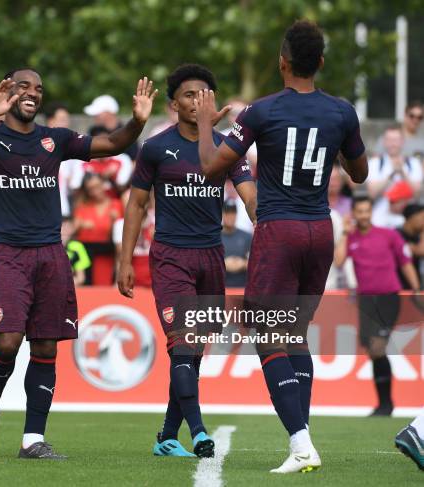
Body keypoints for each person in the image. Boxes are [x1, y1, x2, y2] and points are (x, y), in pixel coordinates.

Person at [0, 67, 157, 459]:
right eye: (24, 86)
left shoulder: (54, 139)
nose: (33, 93)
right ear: (7, 91)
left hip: (50, 252)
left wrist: (137, 121)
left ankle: (33, 440)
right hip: (8, 251)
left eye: (39, 88)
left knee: (45, 346)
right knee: (8, 341)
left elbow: (111, 143)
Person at [195, 20, 368, 473]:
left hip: (280, 230)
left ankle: (301, 443)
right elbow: (361, 174)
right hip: (320, 231)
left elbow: (213, 168)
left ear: (282, 62)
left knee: (268, 334)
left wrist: (203, 126)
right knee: (294, 335)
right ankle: (302, 441)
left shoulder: (261, 111)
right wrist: (339, 147)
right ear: (322, 63)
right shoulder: (342, 112)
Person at [118, 64, 256, 458]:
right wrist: (125, 260)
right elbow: (137, 205)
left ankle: (166, 436)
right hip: (170, 256)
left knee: (192, 352)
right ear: (173, 103)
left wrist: (263, 221)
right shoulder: (157, 148)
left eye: (204, 94)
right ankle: (198, 432)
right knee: (184, 341)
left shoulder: (229, 147)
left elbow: (248, 194)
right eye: (189, 95)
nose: (197, 101)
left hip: (211, 257)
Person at [334, 196, 419, 416]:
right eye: (359, 211)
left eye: (367, 211)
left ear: (372, 212)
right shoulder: (351, 238)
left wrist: (417, 288)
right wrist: (344, 232)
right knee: (372, 351)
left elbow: (405, 261)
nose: (364, 215)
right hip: (366, 301)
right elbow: (339, 261)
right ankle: (383, 403)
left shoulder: (388, 235)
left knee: (378, 347)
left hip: (388, 298)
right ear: (354, 214)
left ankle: (386, 405)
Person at [73, 173, 123, 285]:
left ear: (103, 185)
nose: (96, 191)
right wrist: (80, 225)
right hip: (86, 251)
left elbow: (119, 232)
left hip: (109, 249)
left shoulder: (115, 204)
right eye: (91, 189)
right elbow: (73, 230)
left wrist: (114, 221)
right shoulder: (83, 207)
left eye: (98, 186)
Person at [368, 126, 423, 228]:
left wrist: (402, 172)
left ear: (402, 142)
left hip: (407, 223)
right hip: (379, 221)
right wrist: (391, 173)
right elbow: (372, 193)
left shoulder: (414, 163)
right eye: (389, 140)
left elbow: (417, 194)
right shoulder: (374, 163)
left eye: (396, 140)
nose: (393, 144)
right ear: (384, 142)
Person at [84, 94, 139, 160]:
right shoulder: (93, 131)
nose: (95, 116)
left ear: (108, 113)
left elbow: (134, 161)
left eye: (97, 113)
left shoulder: (128, 134)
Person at [222, 199, 252, 288]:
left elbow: (256, 263)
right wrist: (223, 264)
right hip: (221, 288)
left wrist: (242, 264)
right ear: (222, 214)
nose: (230, 216)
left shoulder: (247, 237)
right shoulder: (215, 237)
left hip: (242, 287)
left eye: (233, 213)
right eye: (227, 213)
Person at [397, 203, 424, 288]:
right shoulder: (397, 235)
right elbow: (421, 251)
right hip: (400, 285)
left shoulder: (417, 236)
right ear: (413, 217)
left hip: (415, 285)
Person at [61, 218, 90, 286]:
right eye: (62, 227)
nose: (65, 230)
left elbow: (81, 278)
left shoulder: (77, 247)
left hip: (71, 286)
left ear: (72, 230)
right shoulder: (49, 246)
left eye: (68, 227)